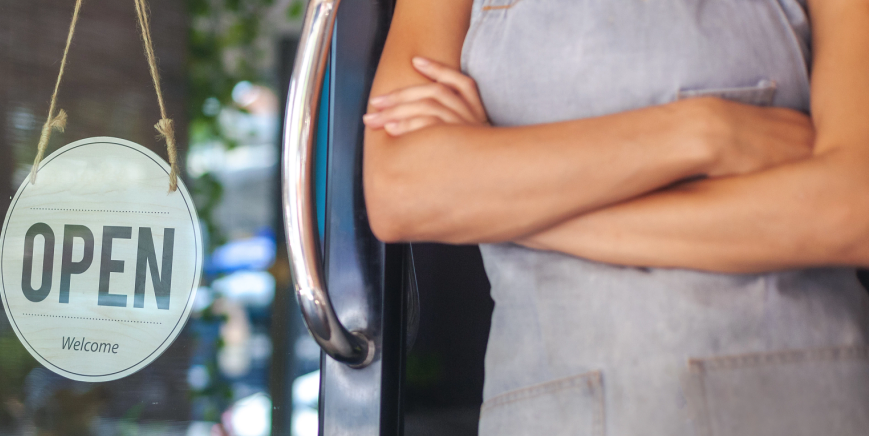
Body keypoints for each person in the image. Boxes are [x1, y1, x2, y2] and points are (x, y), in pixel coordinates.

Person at [362, 0, 869, 435]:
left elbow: (850, 211)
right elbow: (402, 190)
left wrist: (498, 202)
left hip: (789, 402)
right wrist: (703, 133)